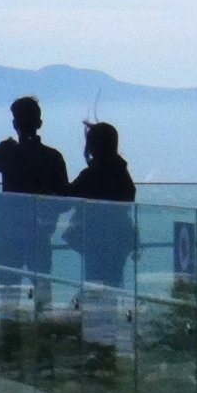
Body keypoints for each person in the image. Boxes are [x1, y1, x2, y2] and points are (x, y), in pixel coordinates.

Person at [0, 96, 69, 293]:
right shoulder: (52, 157)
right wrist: (49, 212)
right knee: (42, 289)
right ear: (39, 123)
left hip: (9, 234)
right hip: (41, 233)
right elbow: (66, 197)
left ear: (15, 124)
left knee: (8, 290)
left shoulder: (9, 154)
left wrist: (2, 147)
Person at [67, 121, 137, 287]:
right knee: (113, 281)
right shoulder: (122, 173)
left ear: (92, 146)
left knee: (96, 281)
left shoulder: (91, 174)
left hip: (95, 238)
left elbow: (67, 196)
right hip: (120, 237)